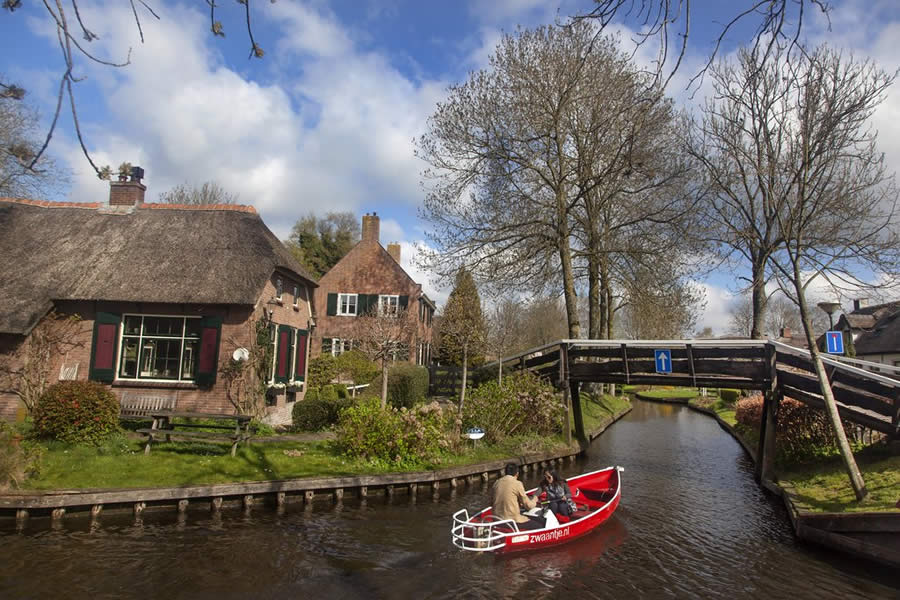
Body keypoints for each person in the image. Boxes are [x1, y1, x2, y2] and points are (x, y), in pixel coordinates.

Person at [491, 463, 541, 529]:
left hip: (497, 520)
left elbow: (491, 502)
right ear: (517, 473)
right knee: (540, 524)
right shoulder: (517, 484)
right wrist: (535, 498)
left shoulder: (496, 483)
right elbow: (529, 506)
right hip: (512, 521)